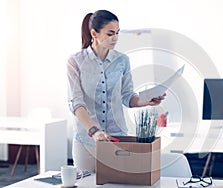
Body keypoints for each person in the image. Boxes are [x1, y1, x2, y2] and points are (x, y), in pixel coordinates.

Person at [67, 10, 165, 172]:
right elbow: (76, 103)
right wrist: (94, 131)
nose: (115, 38)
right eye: (110, 33)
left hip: (117, 137)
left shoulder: (122, 61)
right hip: (87, 139)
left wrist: (146, 100)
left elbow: (127, 96)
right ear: (94, 33)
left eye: (117, 33)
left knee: (117, 187)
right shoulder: (76, 61)